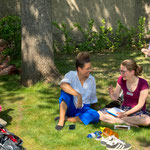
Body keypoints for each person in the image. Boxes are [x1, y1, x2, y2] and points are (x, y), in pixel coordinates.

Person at [98, 59, 150, 127]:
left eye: (123, 71)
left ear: (132, 72)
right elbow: (115, 97)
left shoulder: (143, 83)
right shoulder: (121, 79)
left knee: (147, 120)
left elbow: (140, 105)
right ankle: (126, 123)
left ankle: (117, 120)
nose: (121, 74)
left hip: (137, 111)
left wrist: (125, 114)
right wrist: (111, 94)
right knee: (98, 113)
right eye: (120, 71)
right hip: (123, 109)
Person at [55, 52, 100, 130]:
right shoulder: (71, 75)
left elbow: (93, 98)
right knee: (65, 93)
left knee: (95, 115)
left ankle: (67, 119)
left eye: (90, 68)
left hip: (83, 108)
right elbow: (63, 85)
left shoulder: (92, 79)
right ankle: (61, 120)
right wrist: (78, 95)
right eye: (88, 68)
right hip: (71, 106)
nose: (90, 70)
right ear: (79, 69)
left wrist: (96, 107)